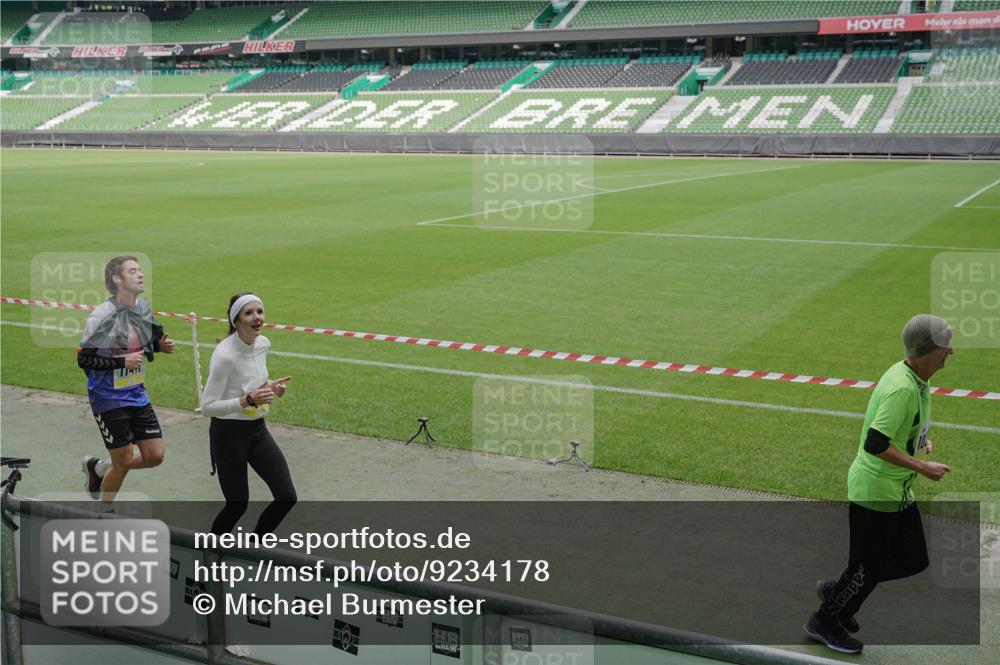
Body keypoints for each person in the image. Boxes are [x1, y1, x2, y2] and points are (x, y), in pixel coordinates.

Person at [804, 314, 954, 654]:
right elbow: (875, 441)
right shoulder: (903, 387)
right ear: (928, 350)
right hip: (875, 491)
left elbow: (899, 429)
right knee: (866, 568)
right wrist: (922, 466)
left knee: (912, 559)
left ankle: (838, 592)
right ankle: (823, 621)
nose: (951, 351)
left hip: (896, 489)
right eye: (945, 344)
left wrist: (918, 444)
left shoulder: (916, 377)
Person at [79, 255, 175, 505]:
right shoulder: (102, 316)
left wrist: (159, 345)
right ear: (117, 279)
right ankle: (103, 514)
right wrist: (121, 363)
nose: (140, 274)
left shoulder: (142, 307)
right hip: (107, 398)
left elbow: (144, 342)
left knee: (155, 455)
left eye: (140, 270)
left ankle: (98, 468)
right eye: (133, 271)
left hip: (136, 393)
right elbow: (85, 360)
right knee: (123, 462)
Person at [200, 292, 296, 535]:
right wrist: (247, 400)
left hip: (257, 431)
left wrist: (272, 386)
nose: (257, 318)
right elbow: (207, 406)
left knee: (286, 497)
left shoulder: (263, 344)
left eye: (260, 312)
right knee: (237, 504)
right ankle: (211, 557)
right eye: (249, 313)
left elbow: (255, 380)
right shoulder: (224, 356)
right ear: (236, 320)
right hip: (228, 435)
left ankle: (254, 546)